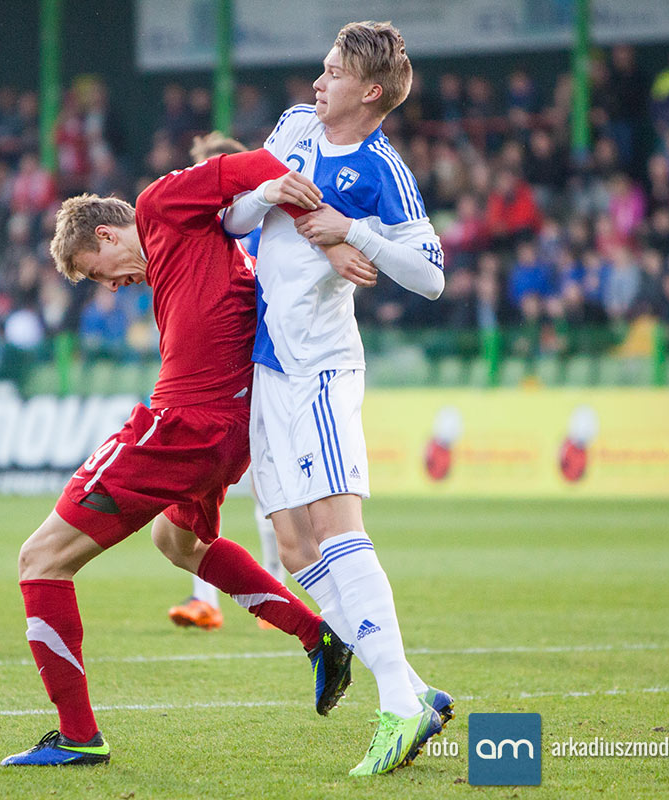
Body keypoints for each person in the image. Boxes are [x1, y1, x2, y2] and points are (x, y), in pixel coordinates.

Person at [2, 147, 358, 767]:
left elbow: (255, 163)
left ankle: (78, 736)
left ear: (107, 234)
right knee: (178, 541)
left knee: (40, 559)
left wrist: (317, 221)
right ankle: (316, 637)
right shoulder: (187, 253)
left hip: (185, 425)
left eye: (97, 272)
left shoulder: (159, 206)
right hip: (230, 432)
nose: (111, 286)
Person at [222, 21, 452, 776]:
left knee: (335, 526)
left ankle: (397, 703)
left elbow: (431, 276)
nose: (317, 83)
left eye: (332, 73)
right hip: (268, 364)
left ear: (370, 91)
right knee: (293, 547)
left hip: (320, 369)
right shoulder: (293, 126)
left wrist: (355, 231)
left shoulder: (383, 170)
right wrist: (268, 194)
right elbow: (232, 219)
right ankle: (415, 689)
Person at [166, 132, 288, 632]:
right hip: (220, 378)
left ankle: (275, 585)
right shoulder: (206, 232)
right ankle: (206, 600)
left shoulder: (262, 225)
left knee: (268, 487)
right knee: (192, 485)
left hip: (267, 368)